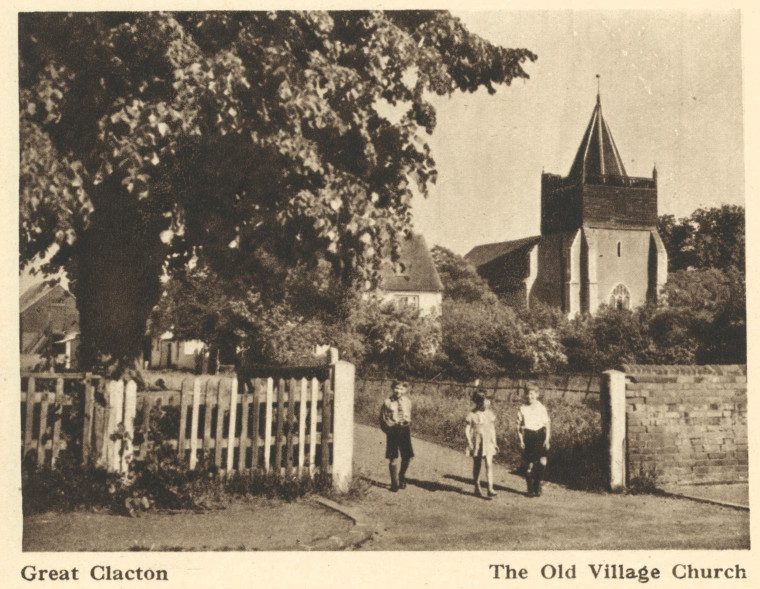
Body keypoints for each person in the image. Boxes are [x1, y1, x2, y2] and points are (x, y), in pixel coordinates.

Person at [379, 380, 414, 492]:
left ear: (406, 390)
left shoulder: (408, 402)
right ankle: (394, 483)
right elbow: (382, 419)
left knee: (407, 456)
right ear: (393, 388)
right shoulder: (387, 402)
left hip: (404, 429)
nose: (399, 391)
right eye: (396, 388)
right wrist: (388, 429)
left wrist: (407, 421)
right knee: (393, 456)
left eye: (402, 389)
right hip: (392, 430)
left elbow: (409, 415)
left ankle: (401, 476)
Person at [517, 386, 551, 497]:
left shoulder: (541, 407)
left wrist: (547, 439)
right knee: (529, 465)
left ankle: (537, 483)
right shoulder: (522, 408)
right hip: (528, 436)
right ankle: (530, 488)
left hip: (540, 435)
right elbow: (518, 427)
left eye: (532, 394)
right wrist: (521, 440)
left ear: (537, 394)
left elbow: (547, 424)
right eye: (527, 394)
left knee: (542, 462)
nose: (530, 396)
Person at [465, 389, 498, 499]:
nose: (488, 403)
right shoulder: (472, 414)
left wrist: (495, 442)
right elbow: (467, 429)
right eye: (486, 401)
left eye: (488, 400)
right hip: (478, 442)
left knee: (489, 464)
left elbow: (492, 428)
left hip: (488, 442)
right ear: (479, 402)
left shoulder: (489, 414)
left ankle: (490, 487)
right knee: (477, 464)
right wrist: (469, 442)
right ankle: (477, 486)